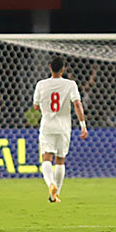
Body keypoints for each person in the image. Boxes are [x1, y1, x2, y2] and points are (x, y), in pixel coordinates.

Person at [32, 57, 88, 203]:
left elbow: (36, 106)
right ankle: (55, 194)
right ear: (63, 69)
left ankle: (51, 184)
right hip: (63, 127)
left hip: (47, 126)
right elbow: (77, 104)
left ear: (50, 67)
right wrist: (83, 125)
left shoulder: (41, 84)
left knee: (46, 158)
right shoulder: (70, 84)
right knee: (60, 160)